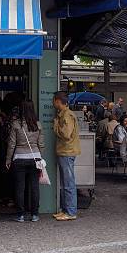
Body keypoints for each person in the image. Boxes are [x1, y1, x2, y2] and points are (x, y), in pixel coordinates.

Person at [5, 99, 44, 223]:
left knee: (20, 187)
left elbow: (11, 144)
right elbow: (41, 144)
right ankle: (35, 214)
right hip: (35, 157)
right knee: (34, 187)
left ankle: (20, 215)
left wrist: (8, 159)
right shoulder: (37, 124)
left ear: (21, 110)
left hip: (19, 158)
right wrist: (40, 157)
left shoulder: (16, 124)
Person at [53, 91, 81, 221]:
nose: (53, 103)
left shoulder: (67, 115)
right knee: (65, 183)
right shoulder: (63, 114)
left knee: (68, 183)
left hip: (67, 152)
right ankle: (65, 210)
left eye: (54, 100)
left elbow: (66, 134)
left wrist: (56, 126)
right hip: (65, 151)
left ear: (58, 101)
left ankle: (70, 211)